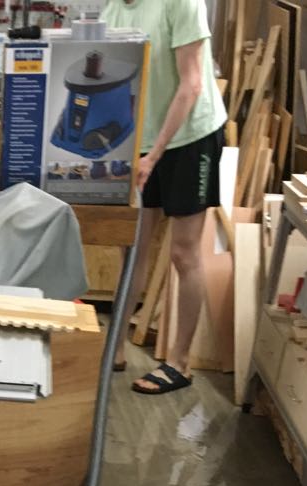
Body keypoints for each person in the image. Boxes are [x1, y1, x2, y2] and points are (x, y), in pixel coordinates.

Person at [105, 0, 227, 394]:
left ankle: (179, 363)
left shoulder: (181, 3)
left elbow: (191, 84)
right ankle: (115, 349)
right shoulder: (113, 9)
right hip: (142, 137)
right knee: (132, 250)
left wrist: (154, 155)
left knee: (183, 252)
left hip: (191, 137)